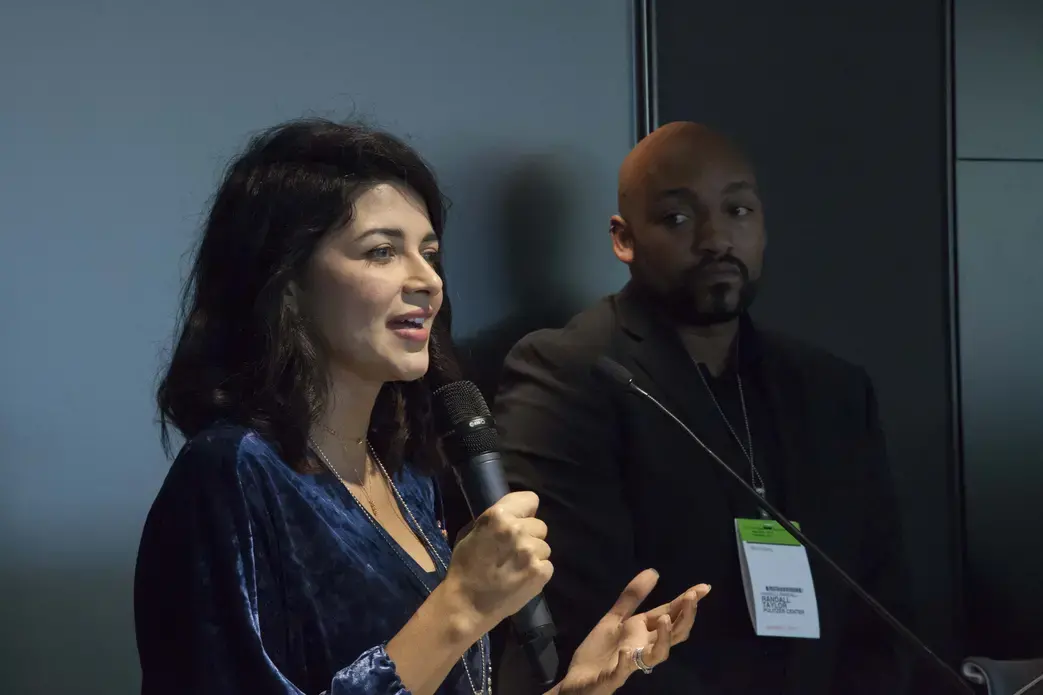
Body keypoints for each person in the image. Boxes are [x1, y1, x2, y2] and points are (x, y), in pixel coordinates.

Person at [134, 119, 712, 695]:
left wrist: (576, 690)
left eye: (430, 253)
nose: (428, 281)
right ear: (286, 281)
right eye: (382, 251)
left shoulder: (408, 478)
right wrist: (460, 605)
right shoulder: (233, 474)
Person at [493, 122, 911, 694]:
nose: (718, 239)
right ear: (624, 238)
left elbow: (885, 612)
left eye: (738, 210)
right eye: (678, 218)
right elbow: (587, 619)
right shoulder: (568, 375)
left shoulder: (832, 390)